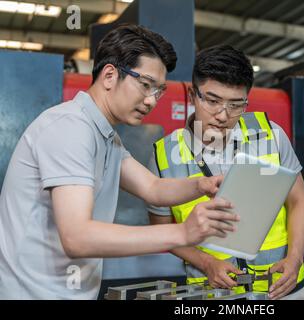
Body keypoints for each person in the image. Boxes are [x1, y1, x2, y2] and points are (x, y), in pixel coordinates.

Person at [0, 25, 239, 300]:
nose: (151, 100)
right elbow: (76, 237)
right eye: (145, 84)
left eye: (158, 90)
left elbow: (153, 188)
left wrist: (202, 184)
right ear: (110, 75)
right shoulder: (69, 127)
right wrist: (183, 232)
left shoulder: (105, 136)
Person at [148, 45, 304, 300]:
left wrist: (295, 258)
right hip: (214, 294)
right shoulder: (164, 155)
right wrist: (205, 263)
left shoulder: (270, 135)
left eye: (236, 105)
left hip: (282, 289)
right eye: (212, 101)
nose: (223, 115)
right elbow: (161, 230)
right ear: (193, 95)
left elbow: (299, 201)